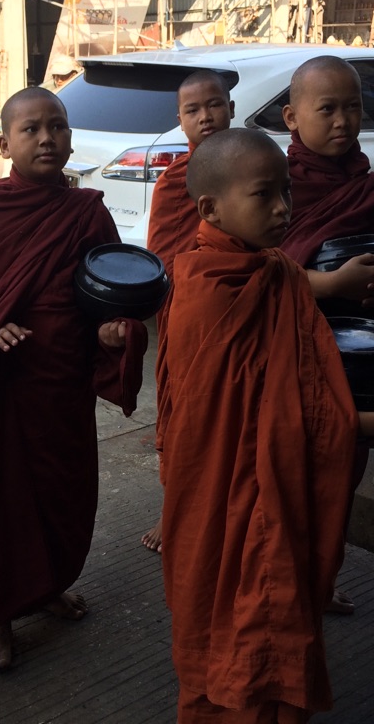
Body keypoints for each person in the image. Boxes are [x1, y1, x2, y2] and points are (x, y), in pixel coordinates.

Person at [160, 128, 374, 723]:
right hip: (225, 493)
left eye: (286, 191)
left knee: (267, 619)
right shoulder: (209, 290)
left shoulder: (271, 269)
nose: (283, 208)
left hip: (268, 488)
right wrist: (368, 422)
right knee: (234, 622)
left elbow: (289, 392)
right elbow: (266, 422)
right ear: (210, 209)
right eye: (264, 195)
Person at [0, 86, 148, 670]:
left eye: (57, 126)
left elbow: (109, 292)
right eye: (31, 129)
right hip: (4, 386)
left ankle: (46, 587)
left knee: (61, 493)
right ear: (4, 143)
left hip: (61, 384)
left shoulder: (86, 211)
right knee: (5, 499)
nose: (47, 139)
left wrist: (112, 333)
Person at [281, 55, 374, 614]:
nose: (343, 121)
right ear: (292, 117)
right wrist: (329, 283)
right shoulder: (271, 184)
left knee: (339, 482)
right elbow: (248, 276)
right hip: (288, 361)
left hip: (357, 365)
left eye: (353, 107)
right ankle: (281, 587)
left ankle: (320, 578)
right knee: (284, 483)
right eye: (327, 109)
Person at [141, 69, 235, 554]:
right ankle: (175, 505)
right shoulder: (174, 182)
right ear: (180, 120)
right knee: (186, 414)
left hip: (247, 309)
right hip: (192, 317)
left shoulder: (254, 164)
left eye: (214, 104)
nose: (206, 117)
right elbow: (161, 257)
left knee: (240, 416)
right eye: (193, 110)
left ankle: (234, 508)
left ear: (231, 109)